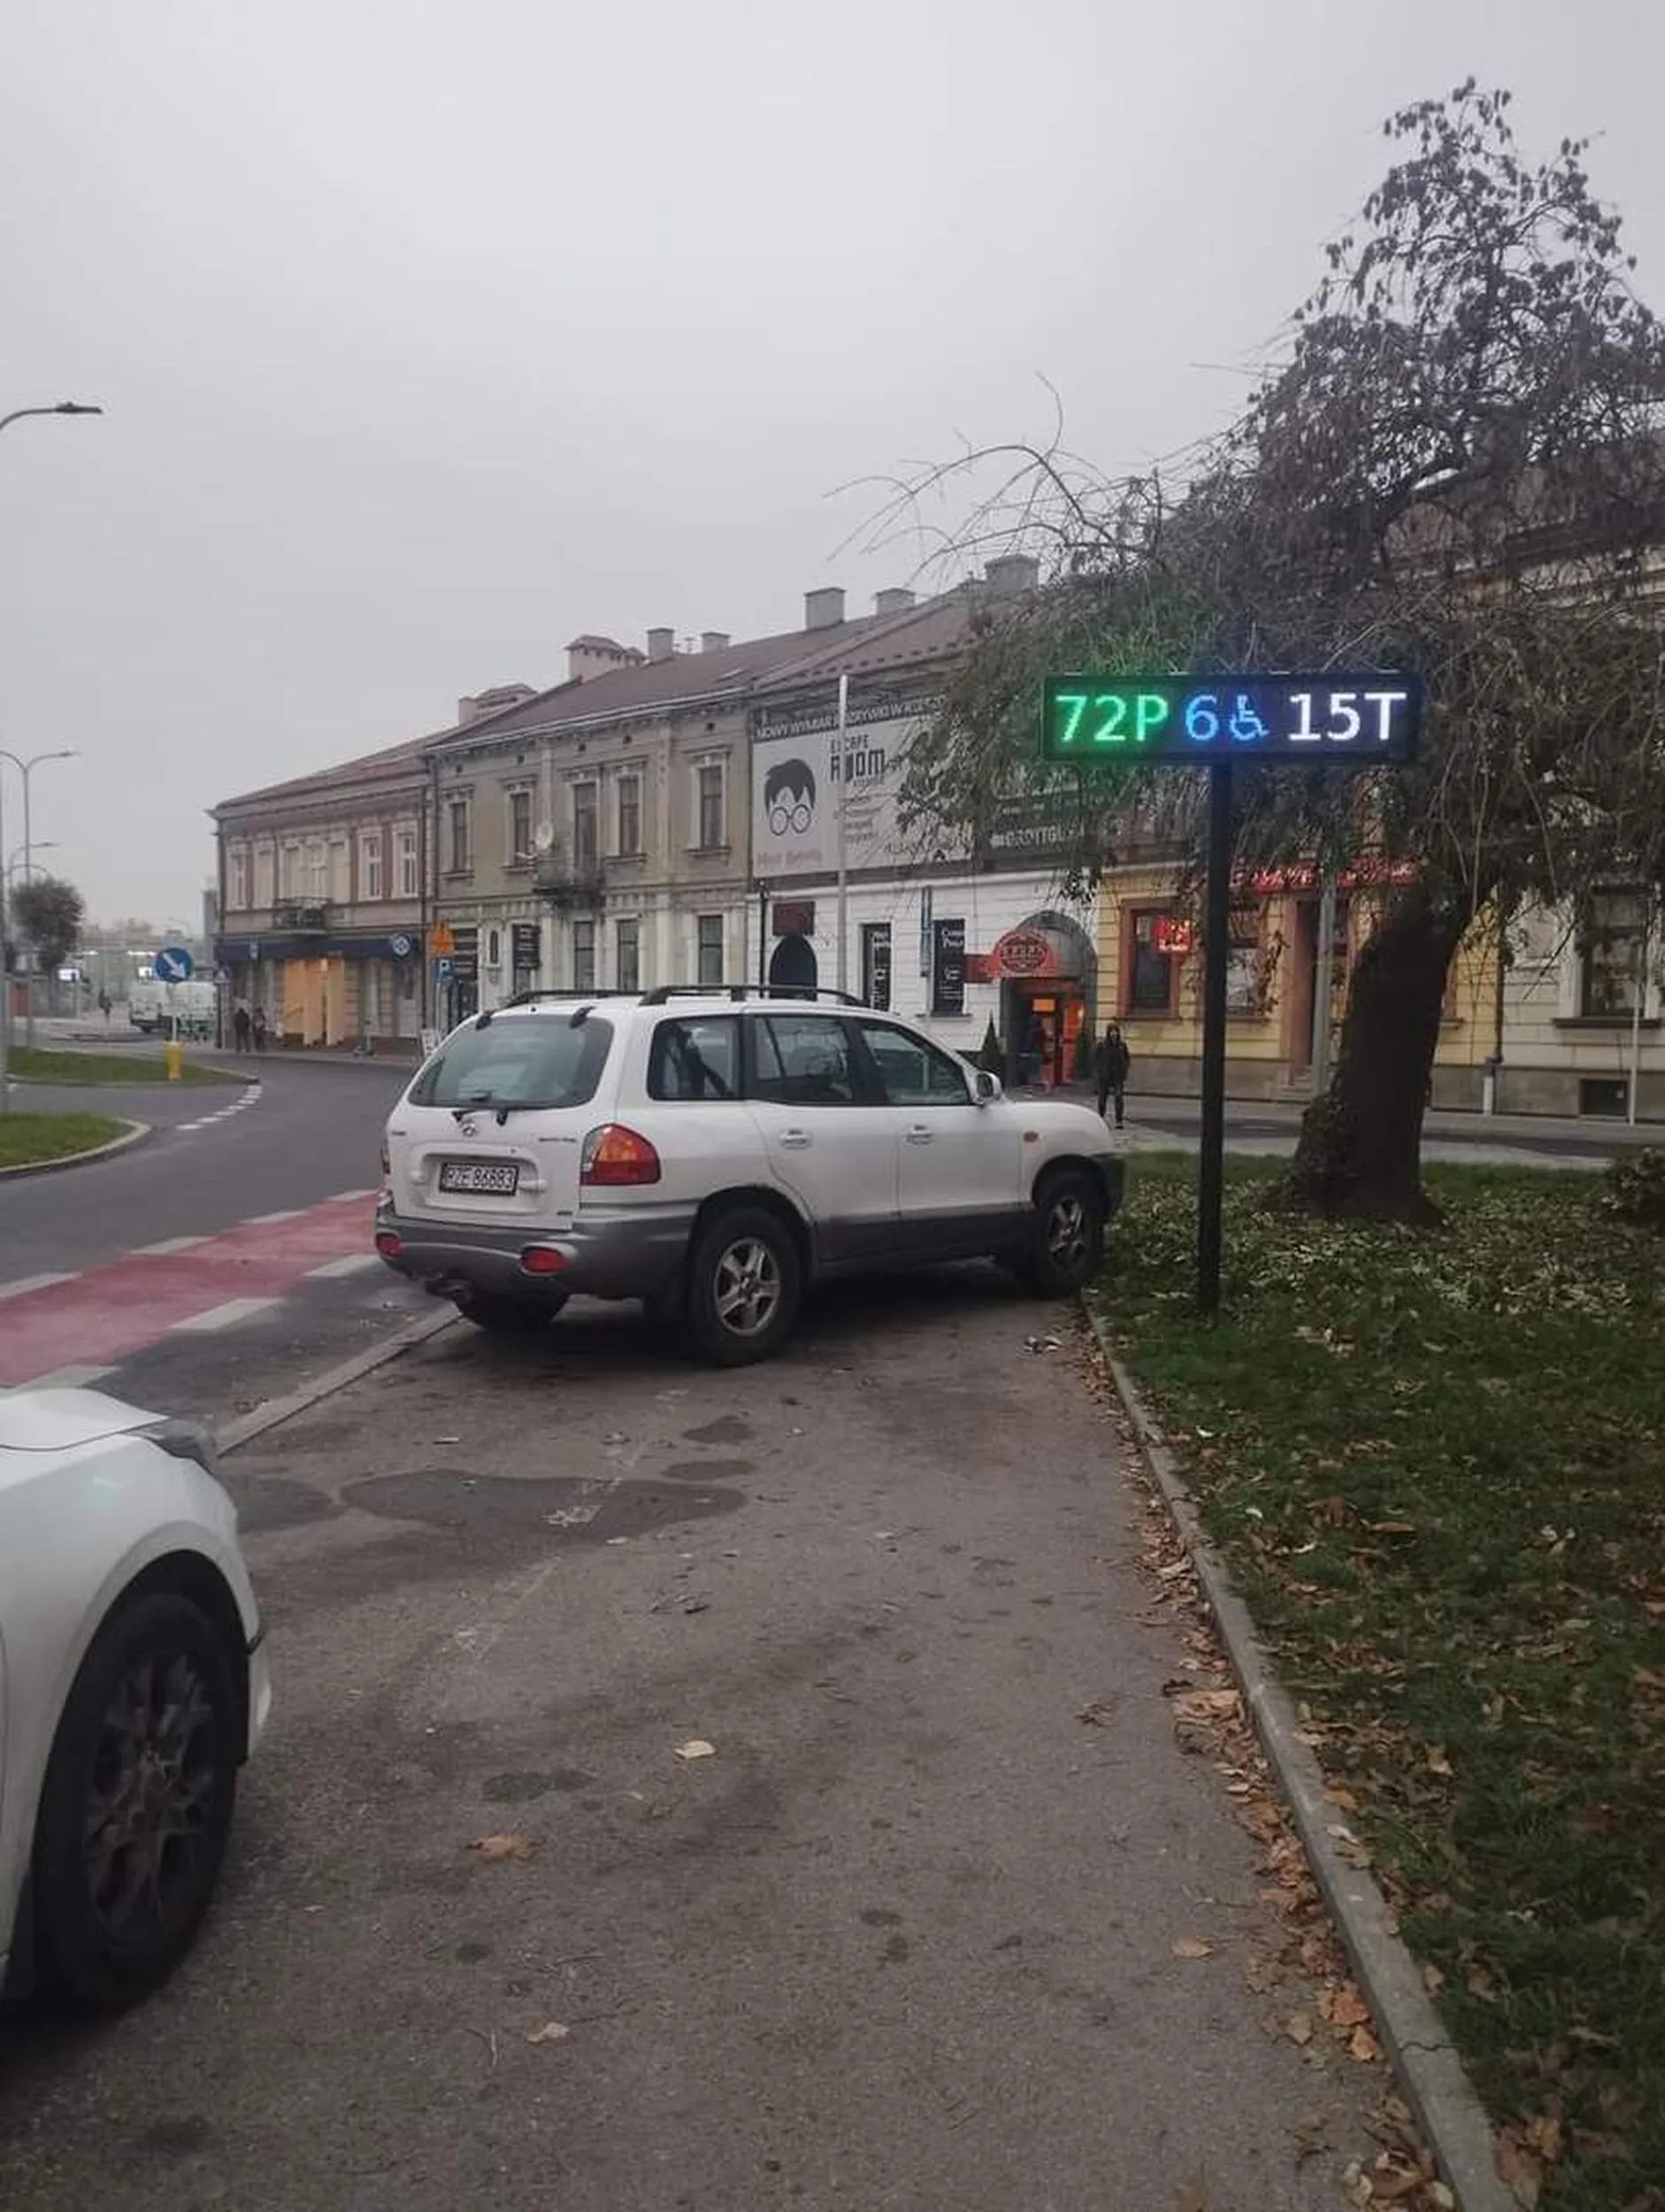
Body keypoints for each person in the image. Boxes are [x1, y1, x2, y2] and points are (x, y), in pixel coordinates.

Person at [1093, 1020, 1131, 1128]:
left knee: (1118, 1097)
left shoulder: (1122, 1046)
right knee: (1102, 1098)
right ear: (1108, 1033)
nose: (1114, 1034)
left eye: (1115, 1032)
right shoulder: (1102, 1045)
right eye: (1111, 1032)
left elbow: (1127, 1058)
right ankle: (1100, 1118)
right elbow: (1096, 1058)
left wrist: (1124, 1069)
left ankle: (1119, 1121)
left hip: (1118, 1076)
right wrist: (1099, 1071)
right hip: (1105, 1076)